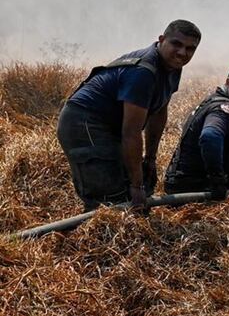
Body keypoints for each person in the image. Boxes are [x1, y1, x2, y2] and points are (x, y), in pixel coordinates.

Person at [56, 20, 202, 210]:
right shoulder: (144, 72)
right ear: (161, 40)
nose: (182, 53)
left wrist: (150, 159)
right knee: (110, 199)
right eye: (177, 44)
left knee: (136, 188)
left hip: (111, 126)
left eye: (190, 49)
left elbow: (158, 113)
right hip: (83, 122)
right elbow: (131, 133)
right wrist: (137, 185)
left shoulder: (173, 67)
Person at [163, 63, 229, 199]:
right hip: (194, 188)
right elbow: (210, 137)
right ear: (228, 81)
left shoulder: (213, 100)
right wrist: (217, 180)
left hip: (180, 182)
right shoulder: (223, 109)